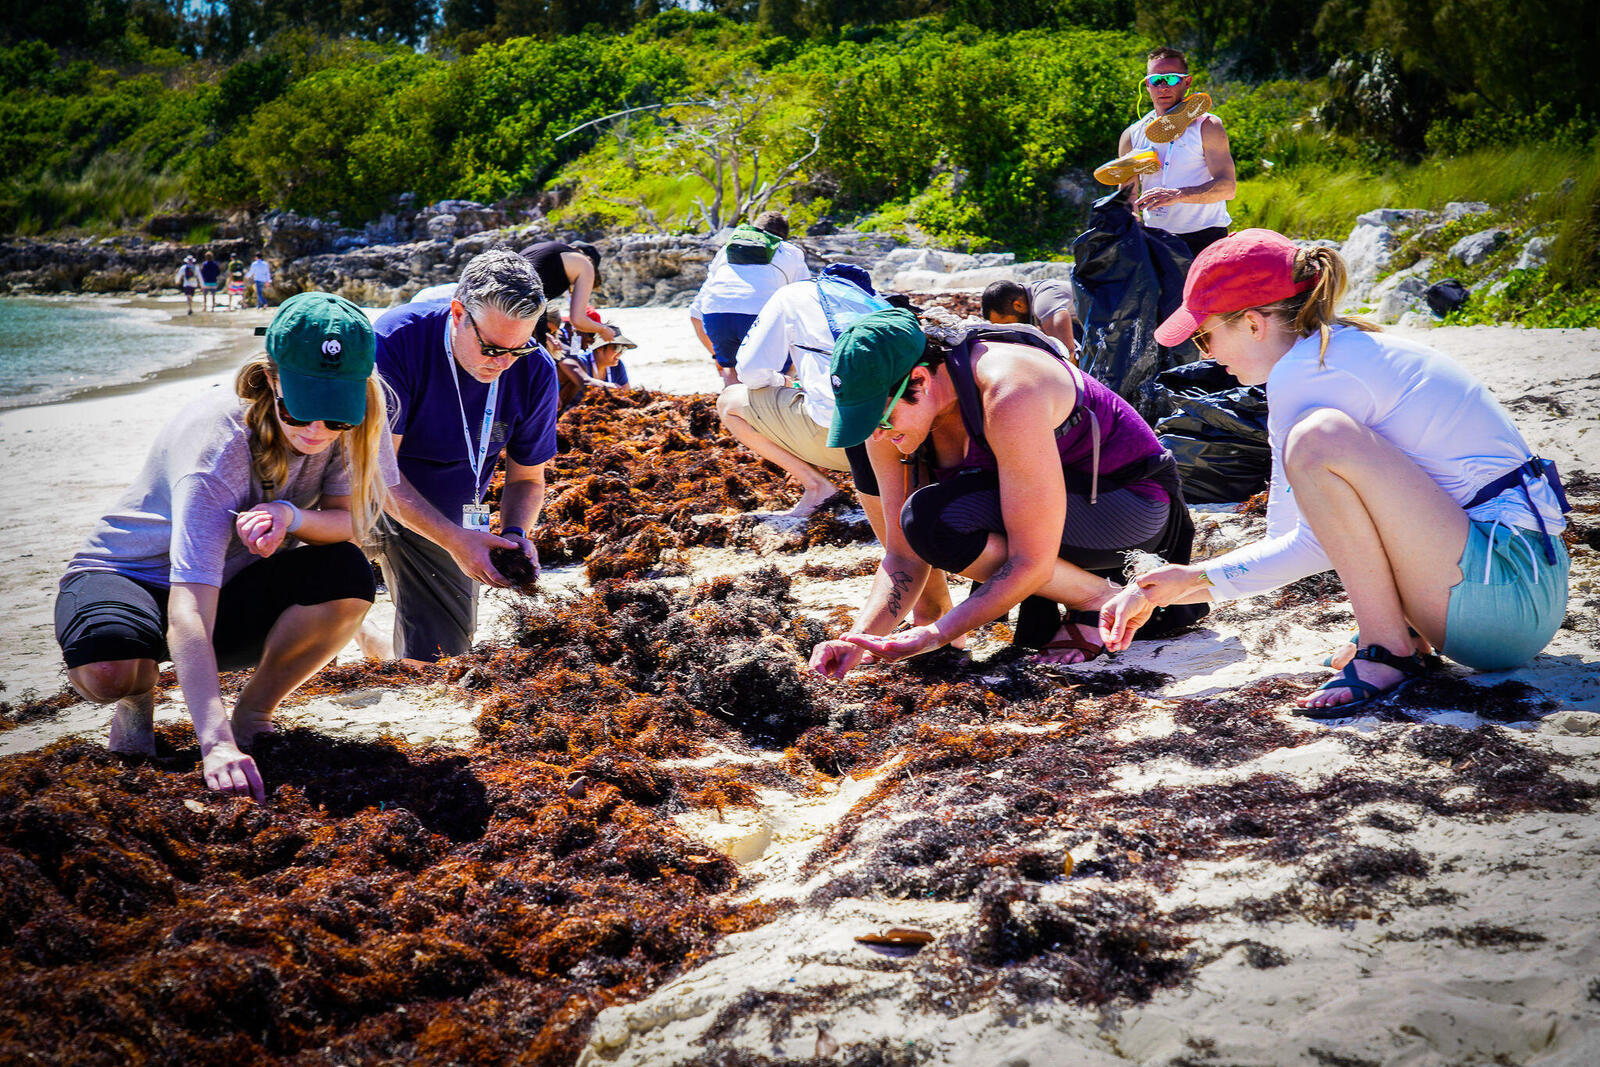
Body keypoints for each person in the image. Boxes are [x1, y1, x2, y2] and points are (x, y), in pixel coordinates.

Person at [1100, 229, 1571, 715]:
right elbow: (1299, 540)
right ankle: (1404, 634)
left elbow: (1313, 545)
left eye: (1205, 334)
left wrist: (1196, 579)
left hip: (1502, 601)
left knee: (1318, 438)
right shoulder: (1340, 346)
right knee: (1319, 439)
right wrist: (1188, 582)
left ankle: (1386, 649)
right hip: (1522, 589)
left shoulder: (1308, 374)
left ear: (1254, 323)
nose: (1204, 353)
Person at [55, 292, 398, 801]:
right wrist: (212, 745)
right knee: (111, 672)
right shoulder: (219, 447)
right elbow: (188, 607)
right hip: (130, 575)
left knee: (346, 573)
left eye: (335, 418)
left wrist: (292, 515)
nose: (318, 431)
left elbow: (346, 522)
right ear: (272, 378)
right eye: (300, 413)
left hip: (230, 581)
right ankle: (138, 697)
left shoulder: (358, 420)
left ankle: (255, 712)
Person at [809, 308, 1197, 678]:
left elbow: (1032, 561)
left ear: (921, 381)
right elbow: (903, 557)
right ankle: (1082, 593)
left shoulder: (1008, 391)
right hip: (1039, 505)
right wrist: (856, 642)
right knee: (921, 521)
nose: (877, 433)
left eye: (879, 418)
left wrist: (937, 634)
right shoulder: (893, 415)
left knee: (931, 518)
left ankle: (1095, 598)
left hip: (1126, 506)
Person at [369, 249, 558, 662]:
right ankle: (354, 620)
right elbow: (377, 475)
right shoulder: (394, 342)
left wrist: (515, 535)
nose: (505, 363)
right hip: (356, 489)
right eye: (491, 348)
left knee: (440, 659)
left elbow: (527, 478)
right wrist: (456, 540)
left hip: (446, 508)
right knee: (322, 601)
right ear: (458, 313)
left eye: (519, 348)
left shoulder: (537, 371)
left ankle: (375, 639)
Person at [1106, 46, 1237, 258]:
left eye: (1172, 79)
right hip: (1156, 238)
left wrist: (1178, 195)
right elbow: (1127, 195)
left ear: (1187, 82)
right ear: (1147, 85)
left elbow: (1228, 188)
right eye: (1156, 80)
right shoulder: (1132, 135)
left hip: (1205, 236)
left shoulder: (1207, 126)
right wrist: (1129, 219)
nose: (1163, 87)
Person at [690, 212, 811, 388]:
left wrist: (717, 356)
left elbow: (695, 315)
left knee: (731, 373)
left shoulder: (727, 249)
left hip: (717, 314)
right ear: (784, 236)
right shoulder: (789, 251)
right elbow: (803, 298)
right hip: (760, 315)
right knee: (776, 375)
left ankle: (732, 411)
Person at [518, 240, 613, 349]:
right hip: (525, 308)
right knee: (537, 357)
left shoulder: (545, 248)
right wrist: (603, 329)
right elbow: (578, 320)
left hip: (500, 297)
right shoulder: (585, 263)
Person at [980, 279, 1078, 361]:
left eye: (1008, 323)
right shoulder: (1030, 295)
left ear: (1018, 305)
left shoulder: (1044, 302)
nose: (1010, 329)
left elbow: (1066, 354)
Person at [556, 325, 634, 412]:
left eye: (623, 349)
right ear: (600, 348)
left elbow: (627, 395)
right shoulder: (580, 364)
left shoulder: (617, 366)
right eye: (617, 348)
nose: (620, 354)